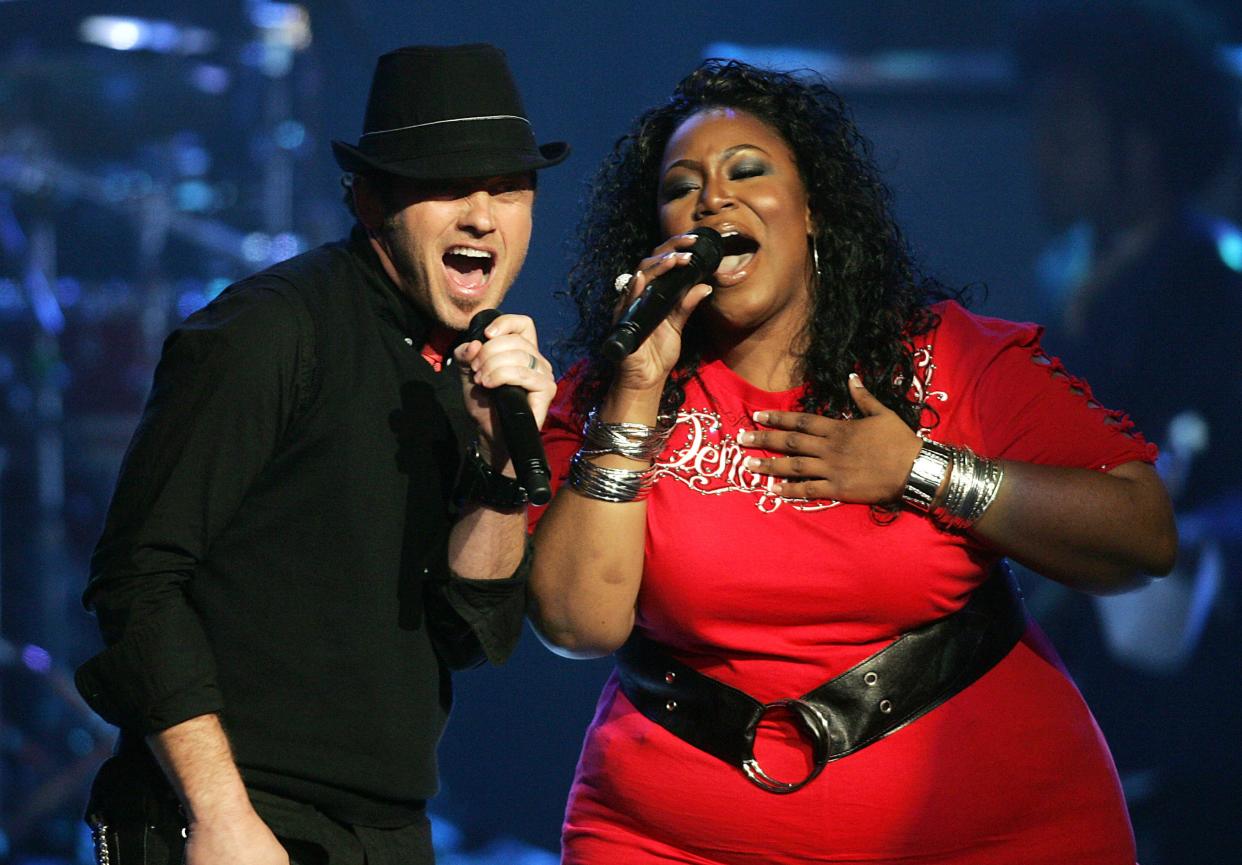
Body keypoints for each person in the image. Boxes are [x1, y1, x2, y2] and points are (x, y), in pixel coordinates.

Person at [527, 59, 1176, 864]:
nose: (711, 200)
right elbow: (575, 623)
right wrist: (632, 393)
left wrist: (924, 470)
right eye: (680, 187)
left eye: (748, 171)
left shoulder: (943, 360)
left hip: (989, 832)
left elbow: (1143, 532)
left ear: (815, 214)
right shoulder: (614, 388)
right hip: (672, 838)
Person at [72, 43, 566, 865]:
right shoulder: (270, 330)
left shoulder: (470, 373)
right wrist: (220, 815)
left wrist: (504, 472)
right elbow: (136, 579)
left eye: (510, 189)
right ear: (370, 200)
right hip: (235, 814)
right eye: (447, 184)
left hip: (388, 829)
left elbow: (462, 634)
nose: (484, 215)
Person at [1014, 3, 1242, 861]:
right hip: (1073, 704)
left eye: (1068, 131)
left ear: (1142, 148)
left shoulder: (1218, 297)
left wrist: (1187, 541)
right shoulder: (1065, 282)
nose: (1041, 154)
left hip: (1182, 726)